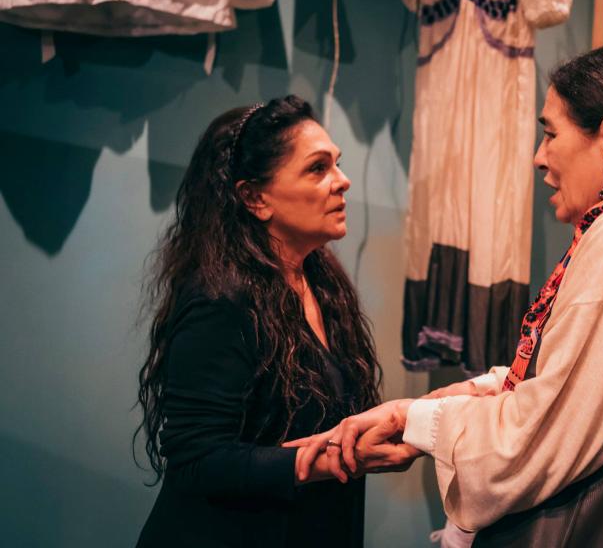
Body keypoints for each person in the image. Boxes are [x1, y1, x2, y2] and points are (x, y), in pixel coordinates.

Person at [301, 42, 603, 547]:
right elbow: (591, 382)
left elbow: (545, 432)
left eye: (550, 133)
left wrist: (419, 420)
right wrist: (447, 400)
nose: (539, 158)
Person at [134, 96, 405, 547]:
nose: (343, 181)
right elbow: (196, 460)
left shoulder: (320, 281)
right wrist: (327, 461)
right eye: (317, 169)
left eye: (337, 164)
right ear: (255, 198)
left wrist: (419, 412)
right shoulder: (221, 300)